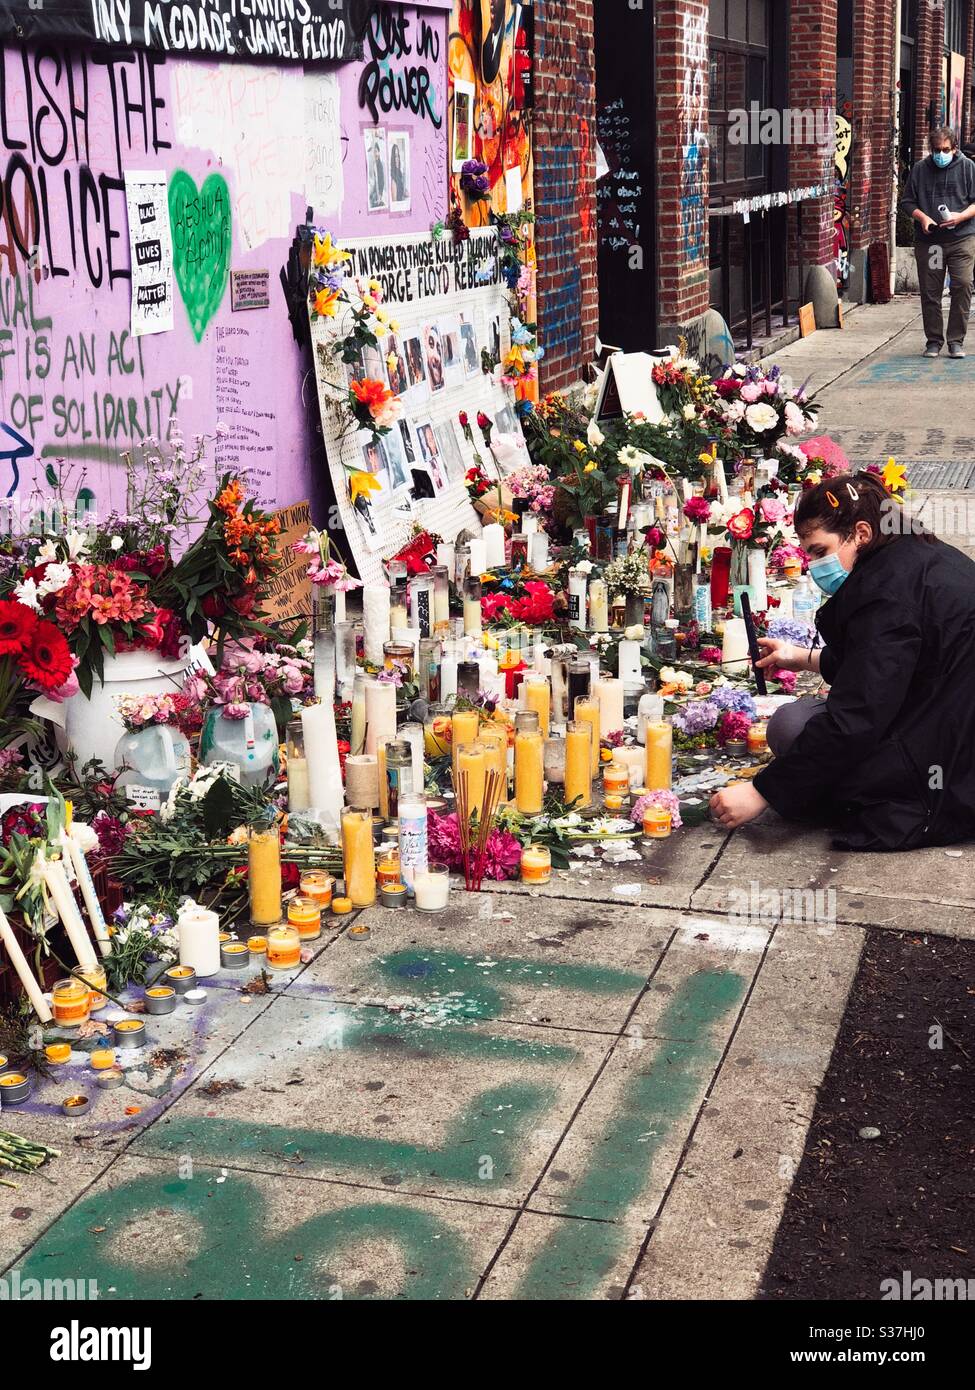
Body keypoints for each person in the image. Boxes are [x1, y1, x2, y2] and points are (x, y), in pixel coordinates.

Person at [709, 473, 975, 851]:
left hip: (946, 770)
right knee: (798, 727)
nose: (815, 566)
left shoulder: (887, 595)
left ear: (861, 533)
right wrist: (800, 658)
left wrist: (761, 791)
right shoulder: (912, 555)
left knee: (792, 728)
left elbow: (858, 715)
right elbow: (891, 665)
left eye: (820, 551)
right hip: (949, 722)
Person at [899, 126, 975, 358]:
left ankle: (955, 341)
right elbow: (907, 201)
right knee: (931, 290)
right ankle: (933, 340)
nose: (940, 154)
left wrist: (959, 217)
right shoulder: (921, 169)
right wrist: (922, 218)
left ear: (954, 148)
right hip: (931, 242)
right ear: (930, 150)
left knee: (962, 285)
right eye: (936, 150)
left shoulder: (968, 168)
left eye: (945, 150)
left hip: (961, 238)